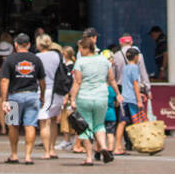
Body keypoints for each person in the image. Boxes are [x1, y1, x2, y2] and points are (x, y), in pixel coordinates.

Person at [64, 36, 117, 165]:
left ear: (86, 48)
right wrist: (118, 94)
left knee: (84, 127)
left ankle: (89, 157)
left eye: (80, 48)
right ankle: (104, 147)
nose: (79, 51)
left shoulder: (80, 62)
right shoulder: (105, 61)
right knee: (99, 124)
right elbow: (111, 79)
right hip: (101, 96)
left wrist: (72, 99)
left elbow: (77, 82)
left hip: (85, 97)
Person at [0, 33, 46, 164]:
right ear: (29, 45)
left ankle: (14, 154)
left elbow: (4, 80)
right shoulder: (36, 59)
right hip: (32, 95)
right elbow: (42, 80)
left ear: (15, 45)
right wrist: (42, 96)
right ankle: (28, 156)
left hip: (14, 96)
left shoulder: (10, 59)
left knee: (13, 125)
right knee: (30, 125)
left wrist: (4, 100)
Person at [35, 34, 65, 158]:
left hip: (42, 90)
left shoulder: (37, 57)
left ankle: (47, 151)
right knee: (53, 121)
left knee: (43, 122)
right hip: (57, 91)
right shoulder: (58, 56)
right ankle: (52, 149)